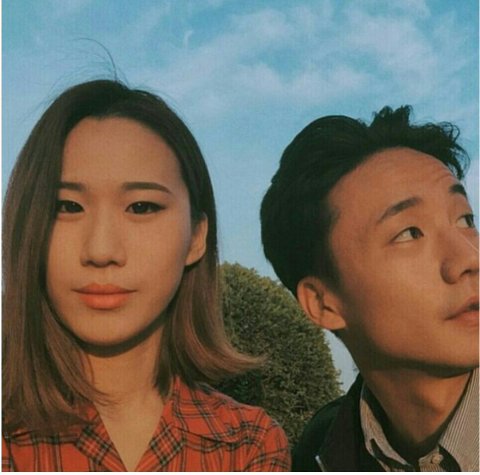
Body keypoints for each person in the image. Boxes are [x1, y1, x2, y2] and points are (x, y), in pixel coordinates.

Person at [2, 79, 290, 472]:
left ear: (196, 237)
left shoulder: (247, 445)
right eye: (67, 206)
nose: (101, 250)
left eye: (141, 207)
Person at [260, 106, 478, 472]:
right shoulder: (319, 455)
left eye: (465, 219)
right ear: (323, 303)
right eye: (410, 233)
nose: (468, 258)